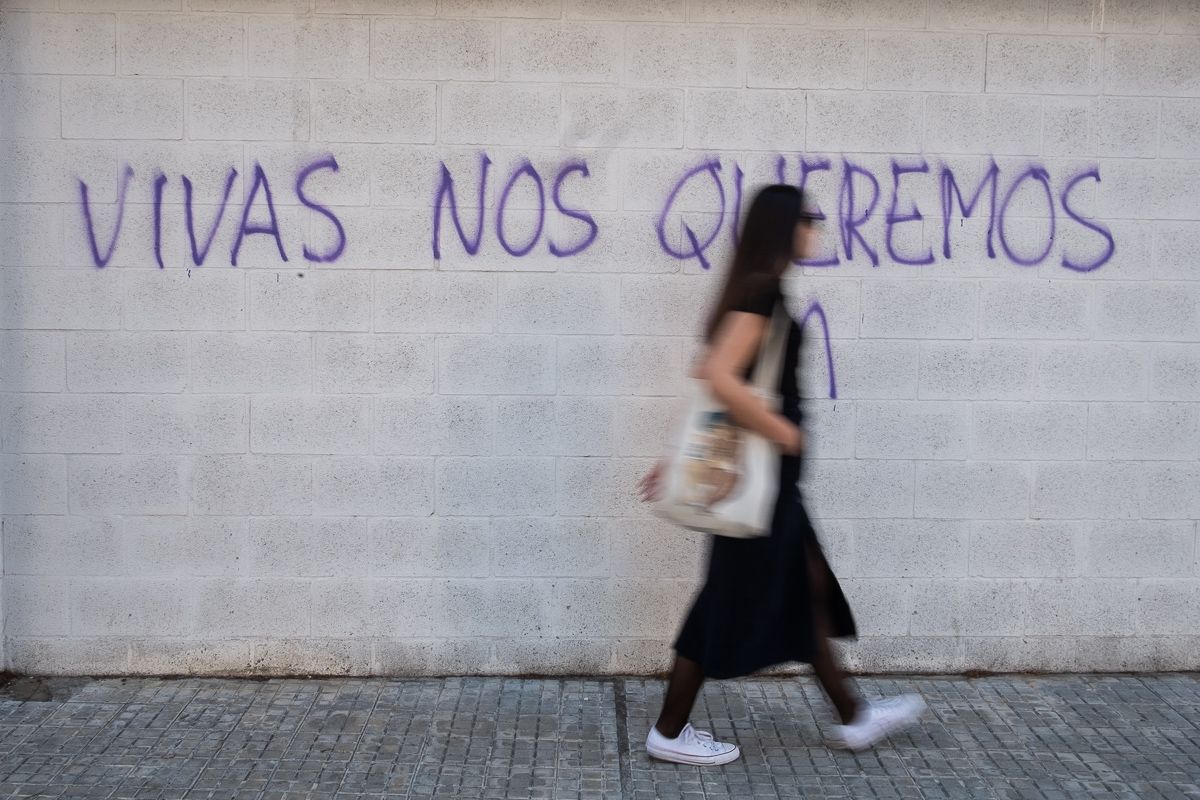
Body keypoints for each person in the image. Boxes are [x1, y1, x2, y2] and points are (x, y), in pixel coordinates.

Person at [637, 184, 925, 766]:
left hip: (775, 488)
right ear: (782, 227)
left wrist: (683, 455)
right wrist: (780, 429)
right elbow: (717, 374)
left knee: (807, 590)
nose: (816, 229)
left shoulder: (761, 292)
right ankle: (669, 730)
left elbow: (712, 377)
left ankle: (854, 715)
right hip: (763, 490)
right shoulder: (762, 295)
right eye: (809, 219)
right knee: (725, 600)